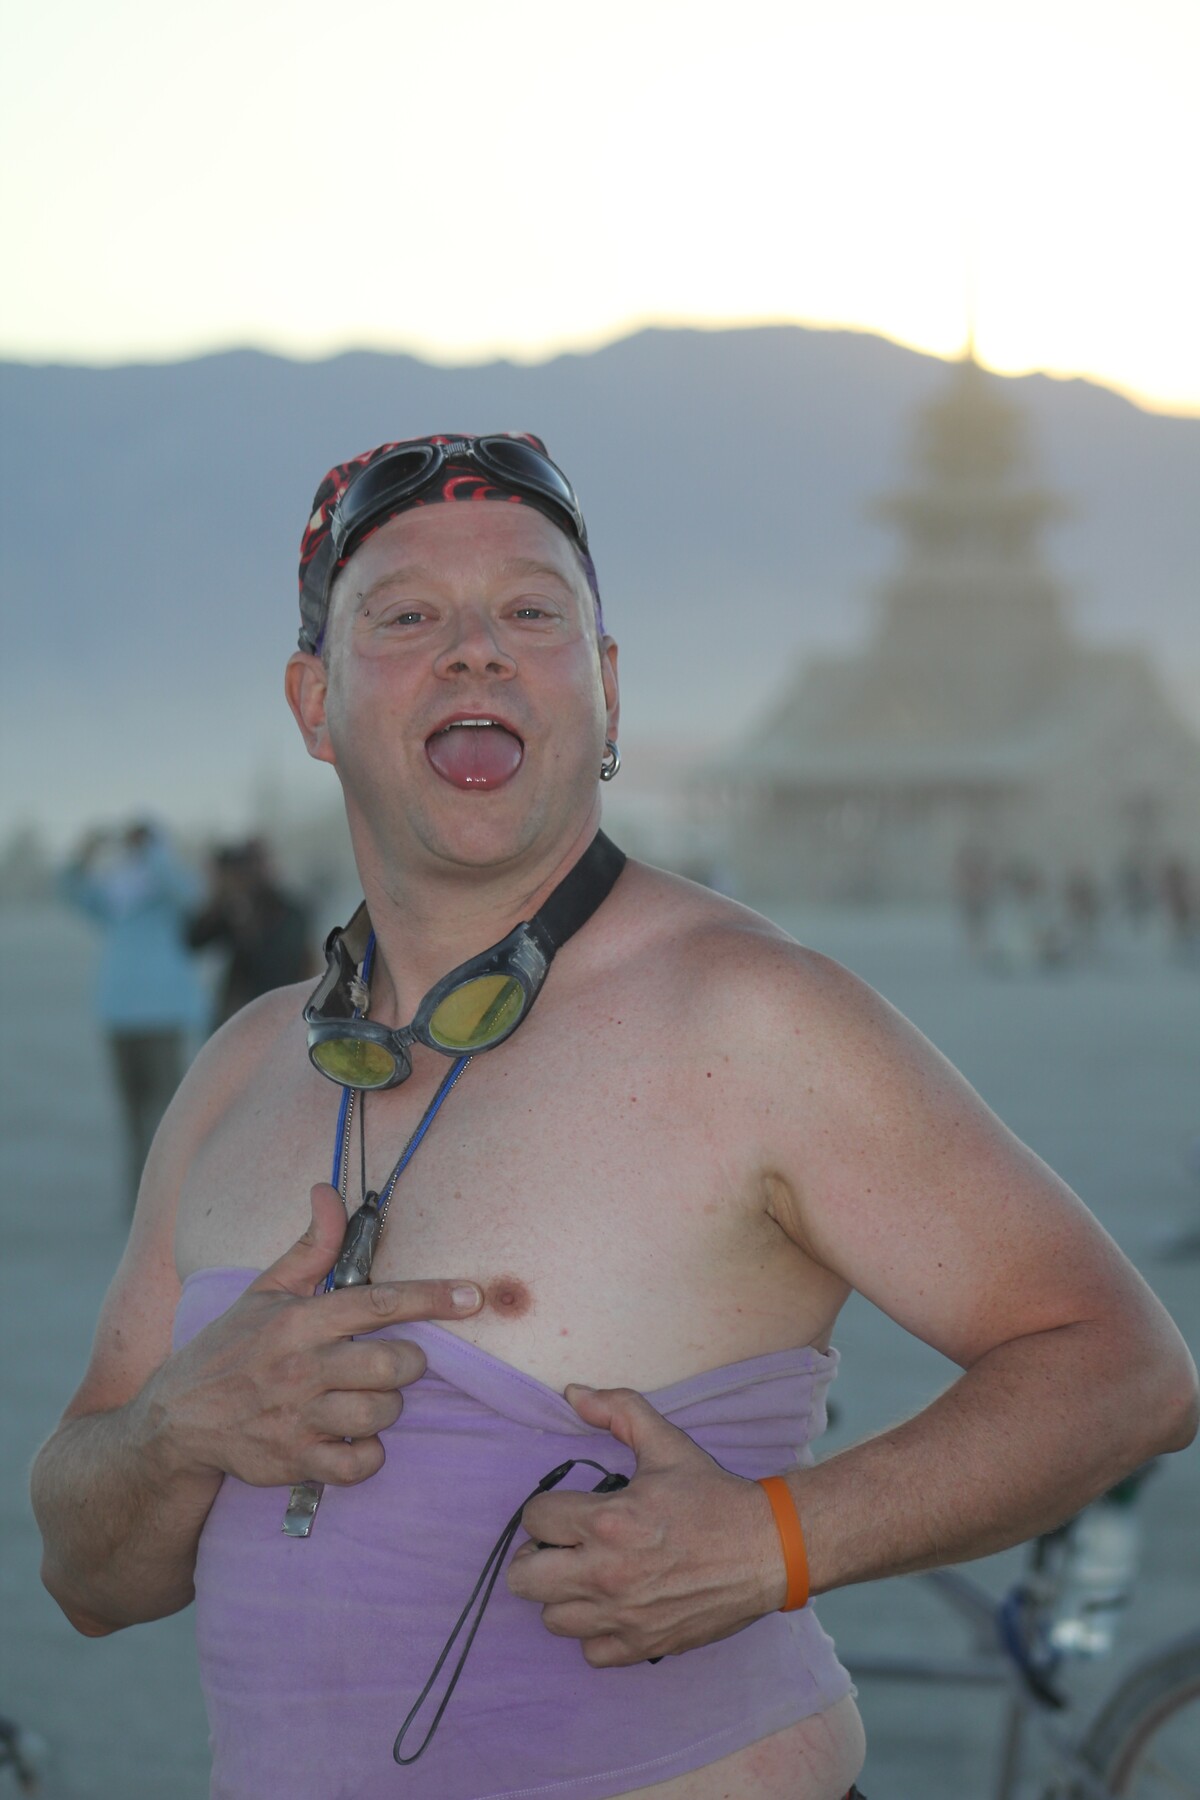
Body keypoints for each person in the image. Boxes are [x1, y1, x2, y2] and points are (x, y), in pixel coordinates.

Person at [32, 434, 1197, 1800]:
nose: (476, 651)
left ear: (607, 689)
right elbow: (88, 1576)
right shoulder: (240, 1073)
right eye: (406, 618)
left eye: (533, 612)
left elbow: (1123, 1368)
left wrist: (779, 1540)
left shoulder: (750, 1018)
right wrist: (179, 1429)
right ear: (314, 700)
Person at [58, 820, 205, 1211]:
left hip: (162, 1016)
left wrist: (153, 850)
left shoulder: (170, 887)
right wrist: (86, 849)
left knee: (169, 1113)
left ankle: (171, 1198)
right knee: (132, 1114)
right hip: (119, 1016)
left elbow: (192, 895)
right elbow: (71, 891)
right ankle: (140, 1202)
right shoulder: (117, 894)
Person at [187, 836, 314, 1030]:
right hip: (238, 1012)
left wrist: (246, 922)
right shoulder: (231, 908)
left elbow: (279, 956)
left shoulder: (287, 909)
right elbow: (194, 941)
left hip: (283, 1010)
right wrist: (218, 899)